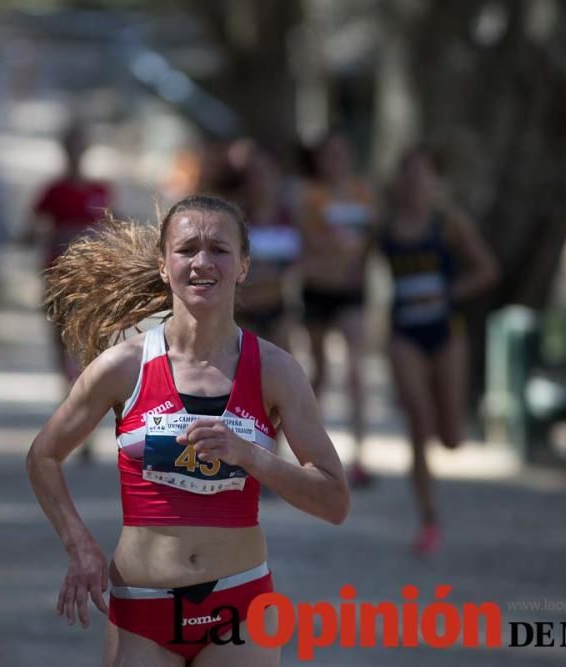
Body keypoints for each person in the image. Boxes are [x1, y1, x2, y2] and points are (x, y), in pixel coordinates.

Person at [26, 194, 350, 666]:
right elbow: (43, 456)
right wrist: (81, 546)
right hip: (142, 608)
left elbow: (335, 501)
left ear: (243, 266)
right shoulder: (124, 366)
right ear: (163, 265)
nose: (202, 262)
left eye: (219, 249)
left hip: (240, 605)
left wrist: (253, 456)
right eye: (187, 249)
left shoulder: (275, 371)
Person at [378, 147, 499, 555]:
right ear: (399, 183)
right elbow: (351, 268)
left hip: (447, 331)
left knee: (450, 436)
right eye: (408, 175)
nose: (414, 184)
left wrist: (448, 292)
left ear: (434, 182)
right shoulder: (386, 227)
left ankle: (445, 432)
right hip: (404, 334)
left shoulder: (450, 223)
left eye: (422, 175)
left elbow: (487, 270)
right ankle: (428, 520)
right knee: (418, 418)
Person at [29, 122, 114, 460]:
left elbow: (112, 232)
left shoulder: (101, 190)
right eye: (71, 143)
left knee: (87, 354)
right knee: (63, 352)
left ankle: (83, 427)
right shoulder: (52, 192)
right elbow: (32, 230)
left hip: (92, 285)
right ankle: (74, 417)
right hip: (58, 282)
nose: (76, 150)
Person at [299, 131, 376, 486]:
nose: (335, 161)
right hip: (317, 291)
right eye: (329, 154)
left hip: (352, 293)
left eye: (341, 153)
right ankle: (312, 454)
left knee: (356, 371)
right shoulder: (309, 196)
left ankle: (359, 455)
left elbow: (369, 242)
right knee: (319, 373)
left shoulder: (364, 194)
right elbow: (308, 243)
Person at [234, 145, 300, 350]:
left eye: (265, 174)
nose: (260, 181)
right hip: (242, 311)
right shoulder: (235, 217)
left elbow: (302, 264)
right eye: (254, 175)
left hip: (279, 310)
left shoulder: (291, 217)